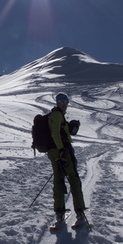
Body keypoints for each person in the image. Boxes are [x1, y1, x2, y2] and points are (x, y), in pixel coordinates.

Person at [47, 93, 87, 229]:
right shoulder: (57, 115)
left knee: (58, 181)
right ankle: (80, 215)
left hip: (54, 153)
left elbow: (58, 132)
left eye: (65, 101)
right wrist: (62, 150)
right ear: (57, 102)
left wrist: (69, 128)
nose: (64, 103)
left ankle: (59, 216)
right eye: (61, 101)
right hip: (63, 152)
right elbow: (55, 134)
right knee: (74, 179)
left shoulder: (54, 115)